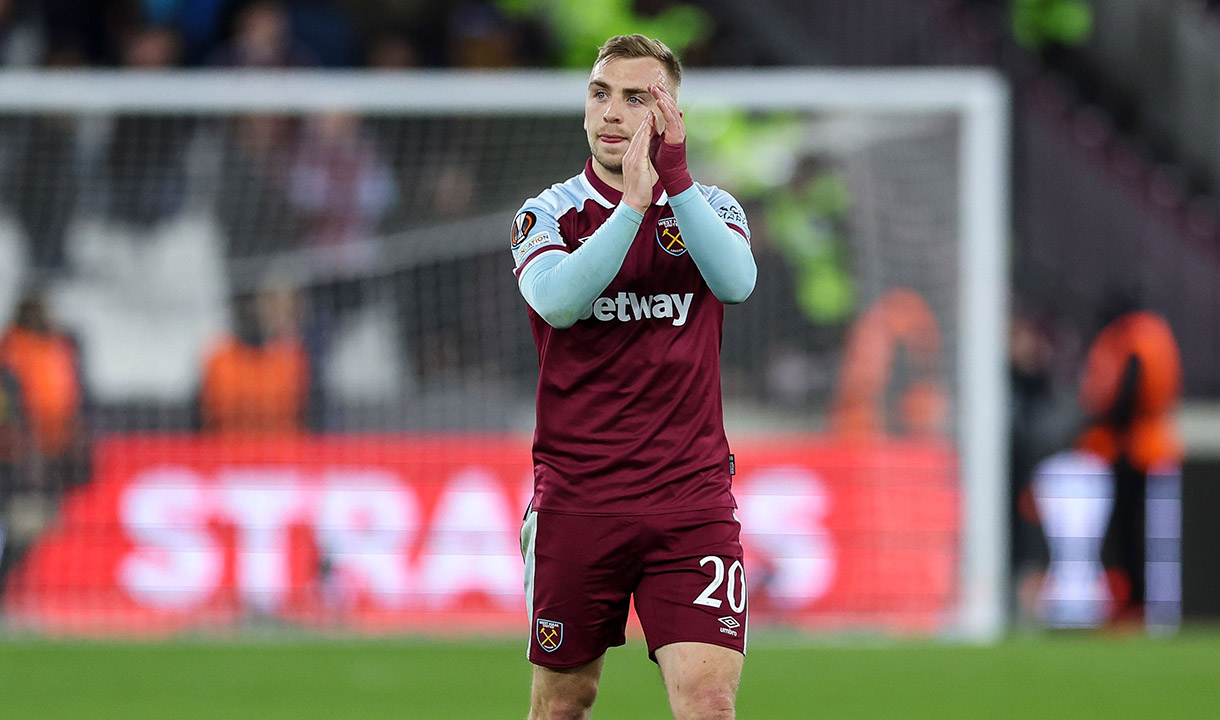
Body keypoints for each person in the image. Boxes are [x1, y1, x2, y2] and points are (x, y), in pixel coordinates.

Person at [511, 34, 756, 720]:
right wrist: (630, 212)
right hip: (578, 501)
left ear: (670, 114)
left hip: (692, 503)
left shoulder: (713, 209)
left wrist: (674, 185)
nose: (612, 112)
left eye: (636, 97)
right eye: (600, 94)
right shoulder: (547, 214)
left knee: (708, 702)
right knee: (564, 703)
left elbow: (736, 283)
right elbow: (559, 301)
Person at [1075, 289, 1181, 624]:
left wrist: (1102, 423)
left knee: (1127, 531)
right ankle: (1133, 600)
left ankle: (1132, 601)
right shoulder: (1154, 336)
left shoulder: (1134, 339)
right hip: (1151, 446)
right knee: (1138, 531)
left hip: (1134, 450)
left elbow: (1127, 394)